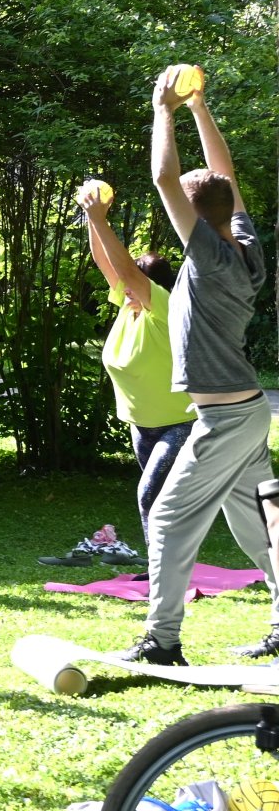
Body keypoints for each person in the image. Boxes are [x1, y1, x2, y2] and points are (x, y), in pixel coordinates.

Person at [120, 65, 279, 664]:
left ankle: (163, 642)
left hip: (223, 418)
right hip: (244, 409)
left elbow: (165, 175)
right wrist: (199, 108)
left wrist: (163, 106)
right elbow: (226, 179)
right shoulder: (243, 243)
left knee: (165, 523)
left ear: (191, 215)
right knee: (256, 523)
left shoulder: (210, 255)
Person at [75, 182, 194, 562]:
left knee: (149, 496)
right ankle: (164, 565)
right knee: (158, 500)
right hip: (142, 425)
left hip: (179, 425)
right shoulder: (130, 307)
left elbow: (124, 267)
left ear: (148, 284)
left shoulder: (163, 306)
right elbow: (106, 263)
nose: (122, 287)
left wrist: (98, 218)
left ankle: (163, 568)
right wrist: (94, 221)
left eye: (130, 284)